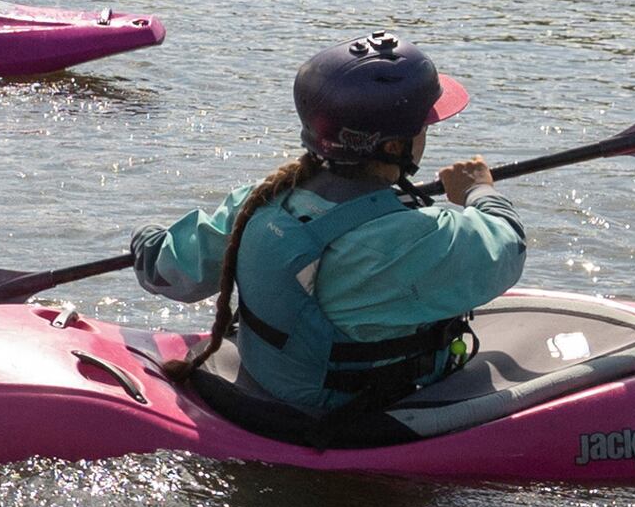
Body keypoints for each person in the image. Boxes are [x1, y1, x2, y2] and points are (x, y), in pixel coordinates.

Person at [129, 34, 527, 439]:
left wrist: (145, 240)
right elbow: (508, 248)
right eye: (423, 126)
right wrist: (480, 191)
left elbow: (169, 272)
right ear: (392, 146)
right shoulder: (400, 241)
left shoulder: (262, 200)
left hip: (267, 381)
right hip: (333, 413)